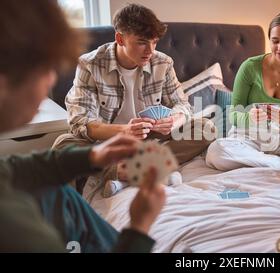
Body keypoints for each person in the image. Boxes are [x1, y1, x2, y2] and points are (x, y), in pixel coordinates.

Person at [0, 0, 165, 252]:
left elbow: (11, 169)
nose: (53, 80)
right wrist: (140, 228)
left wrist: (93, 157)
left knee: (58, 193)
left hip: (136, 142)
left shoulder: (163, 64)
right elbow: (79, 123)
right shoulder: (18, 229)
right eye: (48, 68)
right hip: (102, 137)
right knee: (61, 150)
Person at [55, 3, 215, 197]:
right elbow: (81, 123)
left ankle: (131, 170)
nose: (150, 50)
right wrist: (125, 130)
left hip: (150, 138)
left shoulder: (162, 63)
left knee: (207, 128)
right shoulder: (90, 65)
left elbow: (183, 105)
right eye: (142, 42)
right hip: (107, 140)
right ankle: (128, 169)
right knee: (63, 145)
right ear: (120, 38)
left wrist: (174, 120)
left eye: (154, 42)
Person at [205, 11, 280, 171]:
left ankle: (264, 161)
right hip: (247, 137)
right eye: (275, 41)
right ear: (270, 39)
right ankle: (279, 163)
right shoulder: (249, 67)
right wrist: (249, 117)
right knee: (216, 152)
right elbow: (233, 115)